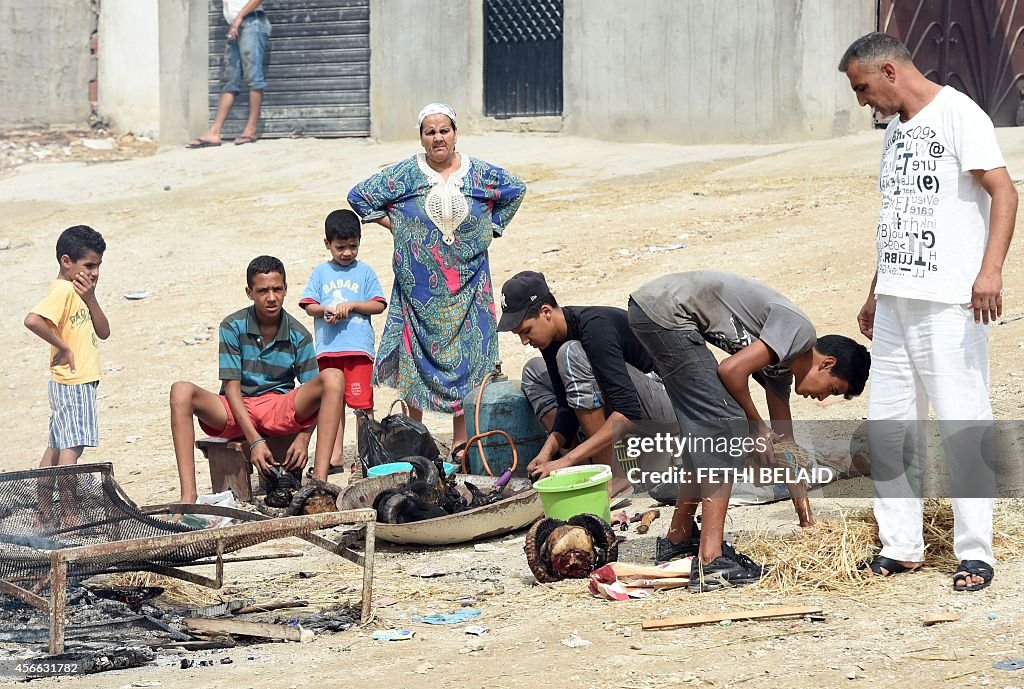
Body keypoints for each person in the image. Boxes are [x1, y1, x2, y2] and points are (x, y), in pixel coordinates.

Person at [839, 32, 1017, 591]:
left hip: (949, 301)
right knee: (890, 425)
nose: (863, 100)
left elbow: (1005, 192)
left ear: (889, 71)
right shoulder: (893, 131)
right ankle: (901, 546)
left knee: (963, 420)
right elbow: (900, 214)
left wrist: (990, 272)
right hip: (896, 300)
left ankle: (976, 553)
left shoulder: (960, 114)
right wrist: (876, 288)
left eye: (863, 88)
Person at [628, 270, 870, 591]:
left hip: (655, 311)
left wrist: (806, 519)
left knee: (705, 429)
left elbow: (787, 445)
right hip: (666, 311)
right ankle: (711, 562)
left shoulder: (781, 369)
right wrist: (755, 424)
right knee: (727, 424)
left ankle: (679, 538)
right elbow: (731, 370)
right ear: (826, 363)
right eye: (833, 389)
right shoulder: (800, 331)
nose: (824, 398)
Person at [347, 103, 526, 458]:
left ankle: (462, 442)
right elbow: (359, 196)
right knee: (416, 358)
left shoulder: (479, 174)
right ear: (421, 137)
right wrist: (400, 227)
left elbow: (515, 190)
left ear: (455, 133)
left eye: (444, 130)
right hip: (420, 289)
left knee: (467, 358)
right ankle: (417, 437)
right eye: (430, 132)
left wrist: (487, 229)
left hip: (469, 281)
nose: (438, 137)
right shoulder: (405, 175)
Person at [169, 256, 346, 504]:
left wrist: (304, 438)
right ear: (249, 292)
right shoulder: (232, 326)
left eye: (277, 289)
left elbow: (315, 395)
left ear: (286, 289)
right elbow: (231, 389)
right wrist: (255, 442)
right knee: (180, 391)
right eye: (262, 291)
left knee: (334, 378)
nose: (271, 297)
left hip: (277, 408)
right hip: (236, 407)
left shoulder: (298, 334)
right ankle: (188, 496)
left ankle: (318, 485)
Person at [498, 271, 677, 507]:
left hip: (668, 403)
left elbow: (628, 411)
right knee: (533, 369)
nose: (524, 341)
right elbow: (566, 409)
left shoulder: (593, 327)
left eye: (526, 331)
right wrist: (547, 452)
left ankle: (611, 476)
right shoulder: (551, 339)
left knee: (571, 353)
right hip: (629, 403)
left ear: (546, 312)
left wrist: (567, 460)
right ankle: (585, 466)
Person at [299, 209, 387, 474]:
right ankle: (334, 456)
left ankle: (366, 457)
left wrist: (353, 306)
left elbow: (378, 305)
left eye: (353, 246)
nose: (347, 252)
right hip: (328, 351)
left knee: (362, 406)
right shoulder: (320, 273)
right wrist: (325, 310)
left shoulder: (365, 272)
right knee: (331, 406)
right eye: (340, 247)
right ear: (327, 244)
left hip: (358, 350)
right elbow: (309, 305)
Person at [24, 225, 111, 468]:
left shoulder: (80, 292)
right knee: (72, 448)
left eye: (98, 266)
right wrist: (63, 347)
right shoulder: (63, 291)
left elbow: (103, 332)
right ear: (66, 262)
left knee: (57, 445)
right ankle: (68, 506)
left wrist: (91, 298)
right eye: (89, 266)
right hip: (75, 381)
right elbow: (32, 320)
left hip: (71, 381)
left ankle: (46, 505)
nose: (94, 273)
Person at [187, 0, 271, 147]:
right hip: (236, 27)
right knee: (230, 79)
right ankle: (214, 133)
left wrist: (239, 17)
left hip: (252, 22)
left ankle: (251, 130)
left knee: (253, 76)